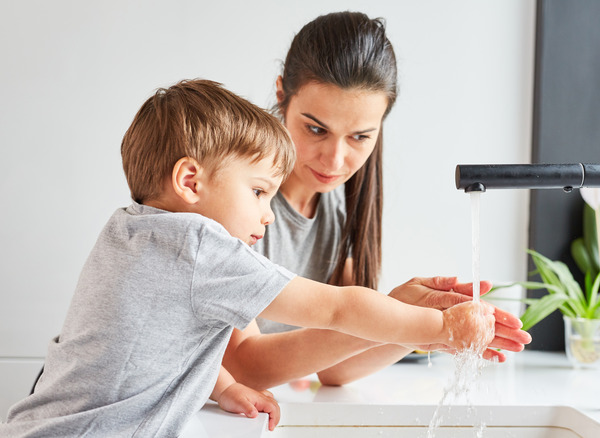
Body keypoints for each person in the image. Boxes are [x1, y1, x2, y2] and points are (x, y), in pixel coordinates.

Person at [0, 79, 496, 437]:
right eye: (259, 192)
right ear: (190, 182)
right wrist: (440, 331)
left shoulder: (129, 231)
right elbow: (338, 307)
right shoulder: (203, 247)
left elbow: (146, 343)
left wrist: (220, 386)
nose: (269, 214)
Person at [222, 11, 532, 392]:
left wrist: (417, 325)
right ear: (282, 94)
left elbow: (338, 369)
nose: (335, 160)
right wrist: (399, 315)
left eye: (359, 137)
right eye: (316, 129)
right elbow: (244, 366)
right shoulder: (233, 200)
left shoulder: (337, 213)